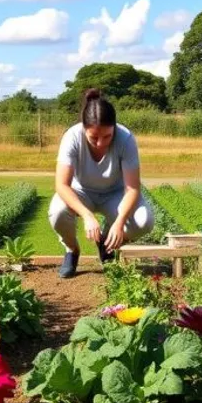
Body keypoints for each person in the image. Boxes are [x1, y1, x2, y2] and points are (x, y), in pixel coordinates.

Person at [49, 89, 154, 278]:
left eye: (107, 136)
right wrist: (87, 215)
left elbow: (132, 188)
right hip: (81, 192)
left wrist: (119, 223)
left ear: (114, 127)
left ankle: (106, 243)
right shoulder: (72, 137)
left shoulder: (126, 138)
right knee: (57, 212)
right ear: (83, 128)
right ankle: (72, 251)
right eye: (93, 138)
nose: (100, 143)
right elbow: (62, 185)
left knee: (143, 221)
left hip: (116, 194)